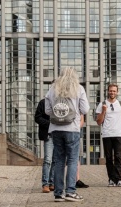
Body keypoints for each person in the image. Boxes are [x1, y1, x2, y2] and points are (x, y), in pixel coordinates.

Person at [45, 67, 90, 202]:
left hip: (56, 128)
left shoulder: (52, 89)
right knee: (72, 160)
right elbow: (85, 109)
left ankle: (58, 193)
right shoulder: (78, 88)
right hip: (72, 128)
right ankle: (70, 192)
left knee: (58, 161)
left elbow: (47, 110)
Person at [96, 83, 121, 187]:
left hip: (118, 134)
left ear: (117, 92)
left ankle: (118, 179)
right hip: (107, 134)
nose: (112, 92)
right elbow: (99, 122)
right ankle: (111, 179)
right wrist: (103, 111)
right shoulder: (102, 104)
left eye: (114, 91)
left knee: (118, 157)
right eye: (111, 90)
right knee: (108, 158)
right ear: (108, 91)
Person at [35, 98, 55, 193]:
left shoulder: (61, 102)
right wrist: (50, 124)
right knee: (48, 160)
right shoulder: (43, 102)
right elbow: (37, 117)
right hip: (48, 135)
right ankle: (45, 184)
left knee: (55, 161)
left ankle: (52, 183)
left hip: (59, 135)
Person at [76, 114, 89, 188]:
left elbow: (82, 119)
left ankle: (77, 180)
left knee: (76, 158)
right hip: (65, 133)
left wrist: (76, 128)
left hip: (77, 134)